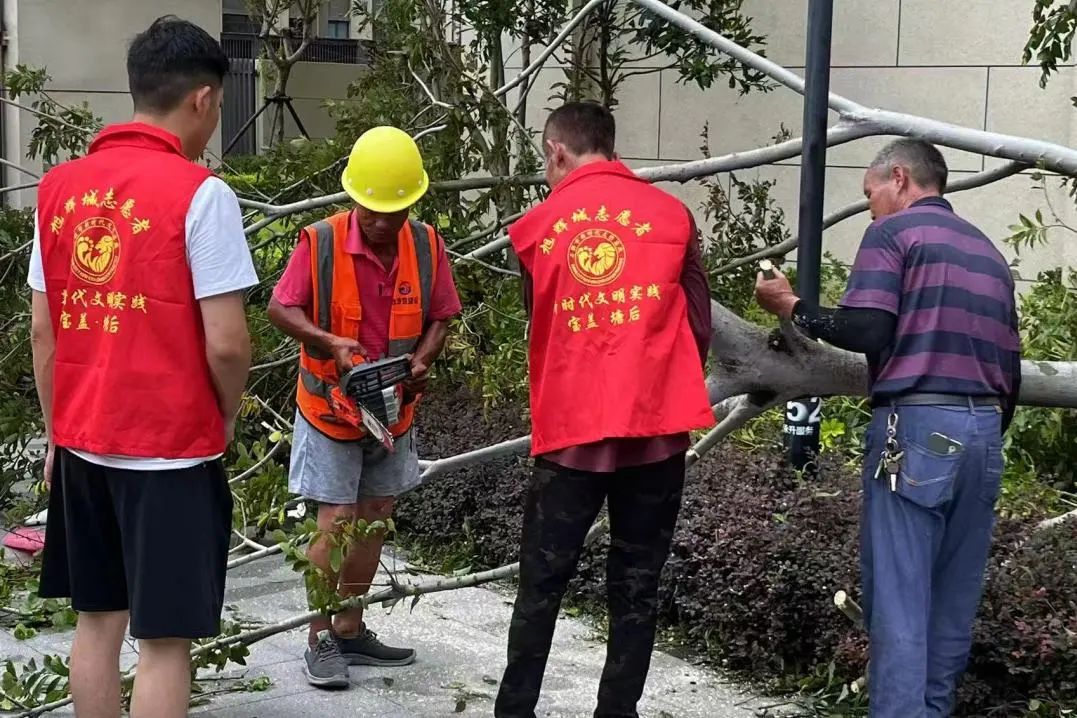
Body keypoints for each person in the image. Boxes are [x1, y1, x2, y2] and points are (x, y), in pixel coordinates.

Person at [29, 16, 256, 718]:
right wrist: (225, 412)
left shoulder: (58, 188)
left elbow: (43, 330)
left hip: (83, 443)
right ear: (202, 99)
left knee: (97, 621)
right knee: (164, 641)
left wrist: (57, 432)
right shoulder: (202, 194)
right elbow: (227, 343)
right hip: (169, 450)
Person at [754, 138, 1021, 718]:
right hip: (983, 434)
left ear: (898, 178)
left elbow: (867, 331)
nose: (869, 206)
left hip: (917, 427)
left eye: (870, 192)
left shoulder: (893, 234)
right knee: (951, 601)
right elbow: (1012, 368)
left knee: (899, 600)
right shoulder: (987, 251)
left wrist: (791, 306)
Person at [495, 102, 715, 718]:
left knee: (541, 584)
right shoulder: (672, 216)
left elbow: (537, 317)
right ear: (611, 148)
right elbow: (698, 323)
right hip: (655, 431)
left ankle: (514, 711)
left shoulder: (536, 228)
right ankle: (618, 711)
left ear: (556, 151)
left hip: (573, 431)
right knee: (638, 582)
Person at [268, 125, 461, 689]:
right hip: (330, 408)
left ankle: (350, 628)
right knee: (336, 521)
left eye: (392, 213)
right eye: (371, 212)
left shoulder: (426, 244)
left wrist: (423, 358)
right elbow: (281, 309)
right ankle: (319, 637)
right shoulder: (320, 242)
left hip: (393, 411)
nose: (379, 222)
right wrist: (329, 341)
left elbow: (442, 314)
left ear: (410, 205)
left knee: (374, 518)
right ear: (354, 198)